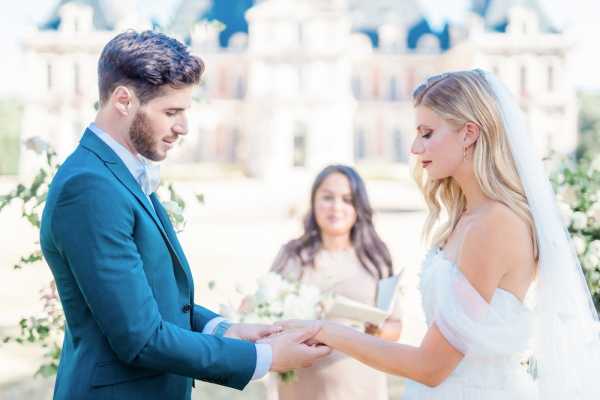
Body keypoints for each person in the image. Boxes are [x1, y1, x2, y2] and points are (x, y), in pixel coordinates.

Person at [39, 30, 330, 400]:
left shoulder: (117, 173)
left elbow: (154, 300)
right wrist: (264, 357)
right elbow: (140, 339)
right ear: (124, 100)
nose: (183, 127)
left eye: (185, 111)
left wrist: (225, 330)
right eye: (171, 112)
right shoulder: (90, 188)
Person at [276, 69, 600, 399]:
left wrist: (328, 331)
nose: (415, 148)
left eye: (427, 133)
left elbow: (431, 366)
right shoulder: (466, 218)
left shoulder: (495, 225)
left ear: (468, 133)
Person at [271, 164, 402, 400]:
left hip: (361, 388)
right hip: (301, 387)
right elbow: (268, 316)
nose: (336, 207)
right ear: (314, 201)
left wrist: (378, 330)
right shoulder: (293, 254)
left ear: (358, 207)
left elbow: (395, 326)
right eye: (327, 197)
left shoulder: (377, 257)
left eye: (347, 199)